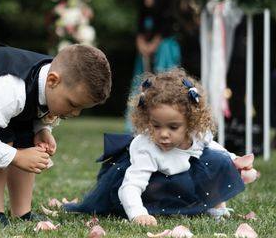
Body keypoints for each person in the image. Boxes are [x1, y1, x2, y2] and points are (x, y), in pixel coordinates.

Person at [0, 43, 112, 226]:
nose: (75, 113)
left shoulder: (57, 79)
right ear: (52, 81)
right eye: (73, 104)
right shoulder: (13, 90)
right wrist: (17, 156)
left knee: (26, 135)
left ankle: (22, 211)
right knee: (2, 135)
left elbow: (37, 105)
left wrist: (41, 129)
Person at [66, 69, 258, 225]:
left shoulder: (197, 134)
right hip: (153, 188)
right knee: (140, 190)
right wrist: (138, 214)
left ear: (191, 123)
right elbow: (130, 186)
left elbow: (217, 150)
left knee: (217, 160)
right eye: (156, 125)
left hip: (181, 181)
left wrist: (233, 160)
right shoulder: (147, 147)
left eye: (173, 127)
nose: (163, 134)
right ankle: (156, 206)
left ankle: (215, 208)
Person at [131, 0, 180, 75]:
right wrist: (140, 42)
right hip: (146, 44)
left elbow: (168, 20)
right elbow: (140, 21)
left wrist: (154, 44)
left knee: (162, 76)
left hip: (163, 44)